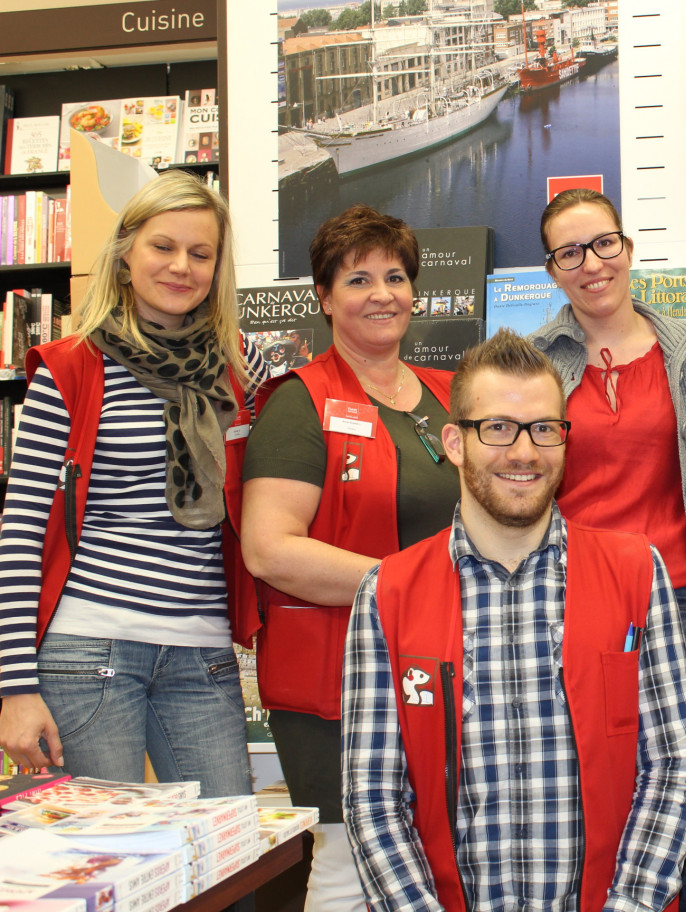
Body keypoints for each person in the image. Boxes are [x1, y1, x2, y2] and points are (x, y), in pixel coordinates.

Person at [342, 329, 686, 912]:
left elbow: (674, 766)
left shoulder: (636, 571)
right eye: (499, 428)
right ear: (455, 442)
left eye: (544, 429)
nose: (526, 452)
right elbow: (373, 800)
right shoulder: (387, 594)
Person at [0, 170, 264, 796]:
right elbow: (19, 534)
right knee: (101, 865)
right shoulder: (70, 369)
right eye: (162, 246)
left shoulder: (240, 366)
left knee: (227, 853)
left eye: (201, 254)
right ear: (125, 254)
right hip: (87, 652)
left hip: (204, 653)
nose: (181, 266)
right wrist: (14, 688)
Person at [241, 205, 460, 912]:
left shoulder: (447, 398)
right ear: (325, 298)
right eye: (358, 278)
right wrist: (403, 585)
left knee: (435, 857)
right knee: (343, 864)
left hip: (437, 674)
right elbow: (268, 547)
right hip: (334, 684)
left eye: (395, 276)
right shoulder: (300, 402)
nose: (381, 293)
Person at [530, 189, 686, 912]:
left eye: (603, 244)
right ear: (553, 270)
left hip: (677, 608)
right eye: (570, 253)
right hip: (573, 613)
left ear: (627, 246)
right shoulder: (534, 368)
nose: (591, 265)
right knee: (594, 790)